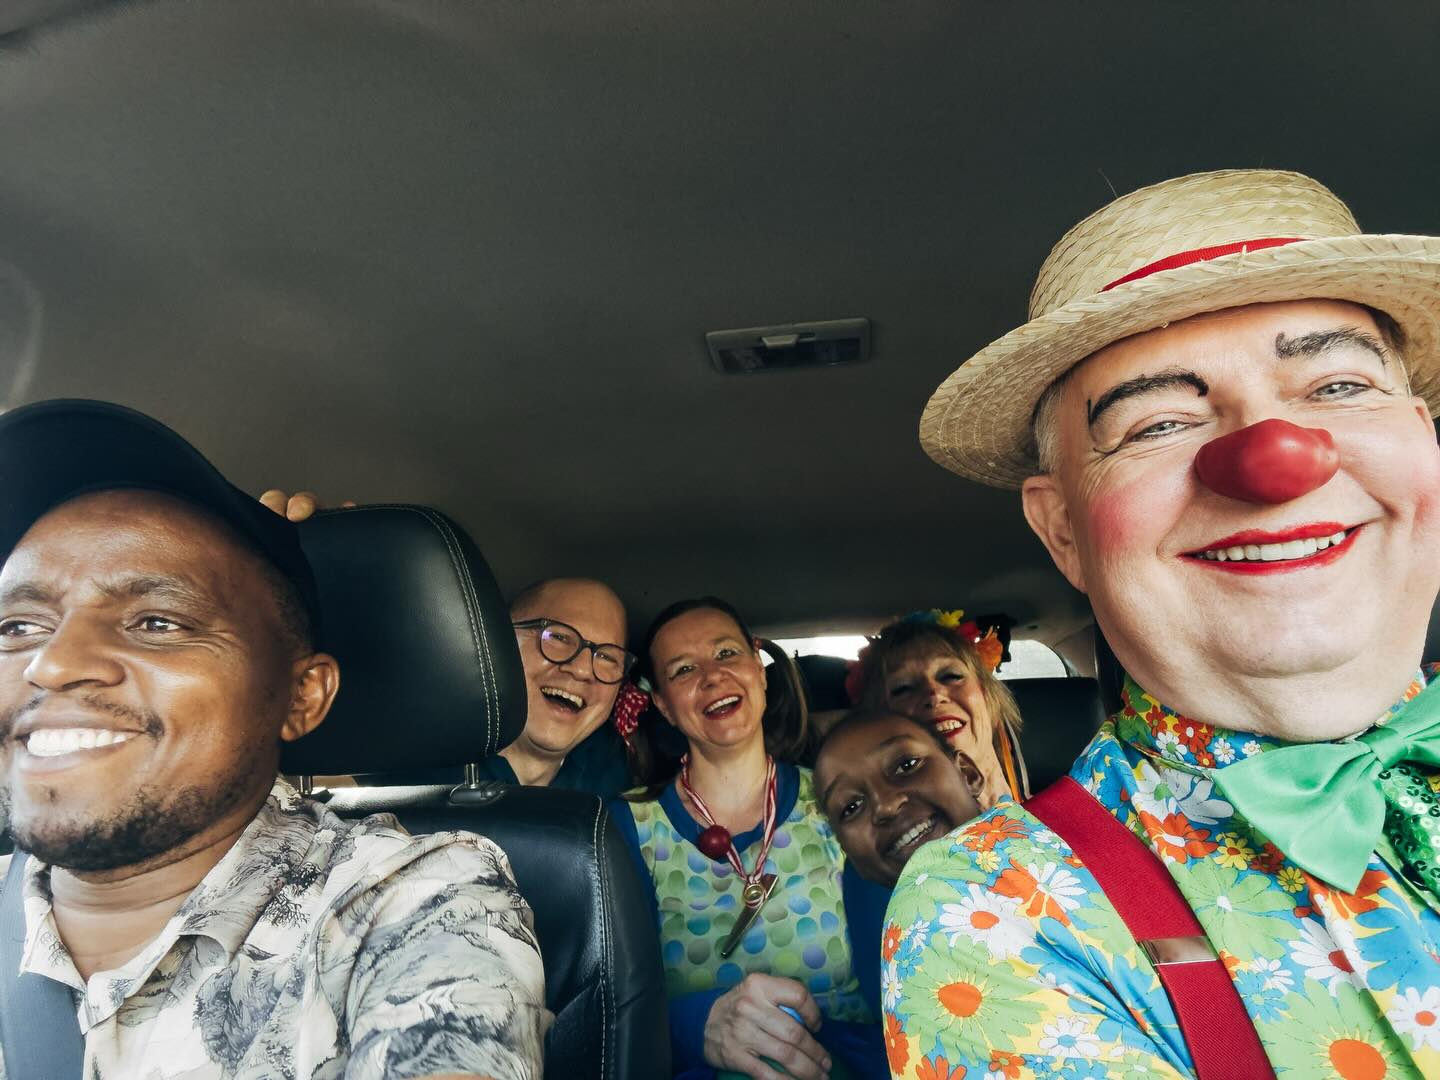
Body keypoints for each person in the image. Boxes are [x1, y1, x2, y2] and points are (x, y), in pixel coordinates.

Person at [884, 168, 1440, 1078]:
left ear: (1424, 437)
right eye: (1156, 424)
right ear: (1064, 530)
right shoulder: (1005, 910)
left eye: (1338, 385)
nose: (1274, 460)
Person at [0, 401, 547, 1078]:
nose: (50, 663)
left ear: (301, 696)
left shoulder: (410, 901)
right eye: (17, 627)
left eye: (158, 622)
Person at [609, 596, 887, 1080]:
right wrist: (694, 1026)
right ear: (664, 706)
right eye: (683, 670)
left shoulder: (840, 801)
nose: (712, 677)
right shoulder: (623, 826)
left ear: (759, 671)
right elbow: (607, 1007)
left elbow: (898, 981)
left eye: (726, 654)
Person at [260, 492, 639, 795]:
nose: (582, 669)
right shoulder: (389, 763)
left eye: (608, 658)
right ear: (495, 643)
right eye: (557, 637)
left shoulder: (614, 777)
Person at [813, 710, 985, 1026]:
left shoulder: (1058, 855)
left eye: (907, 766)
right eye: (851, 807)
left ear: (968, 774)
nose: (886, 805)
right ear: (849, 852)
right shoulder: (899, 969)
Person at [846, 610, 1026, 806]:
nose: (934, 695)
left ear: (988, 695)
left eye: (951, 676)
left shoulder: (1051, 808)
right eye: (903, 688)